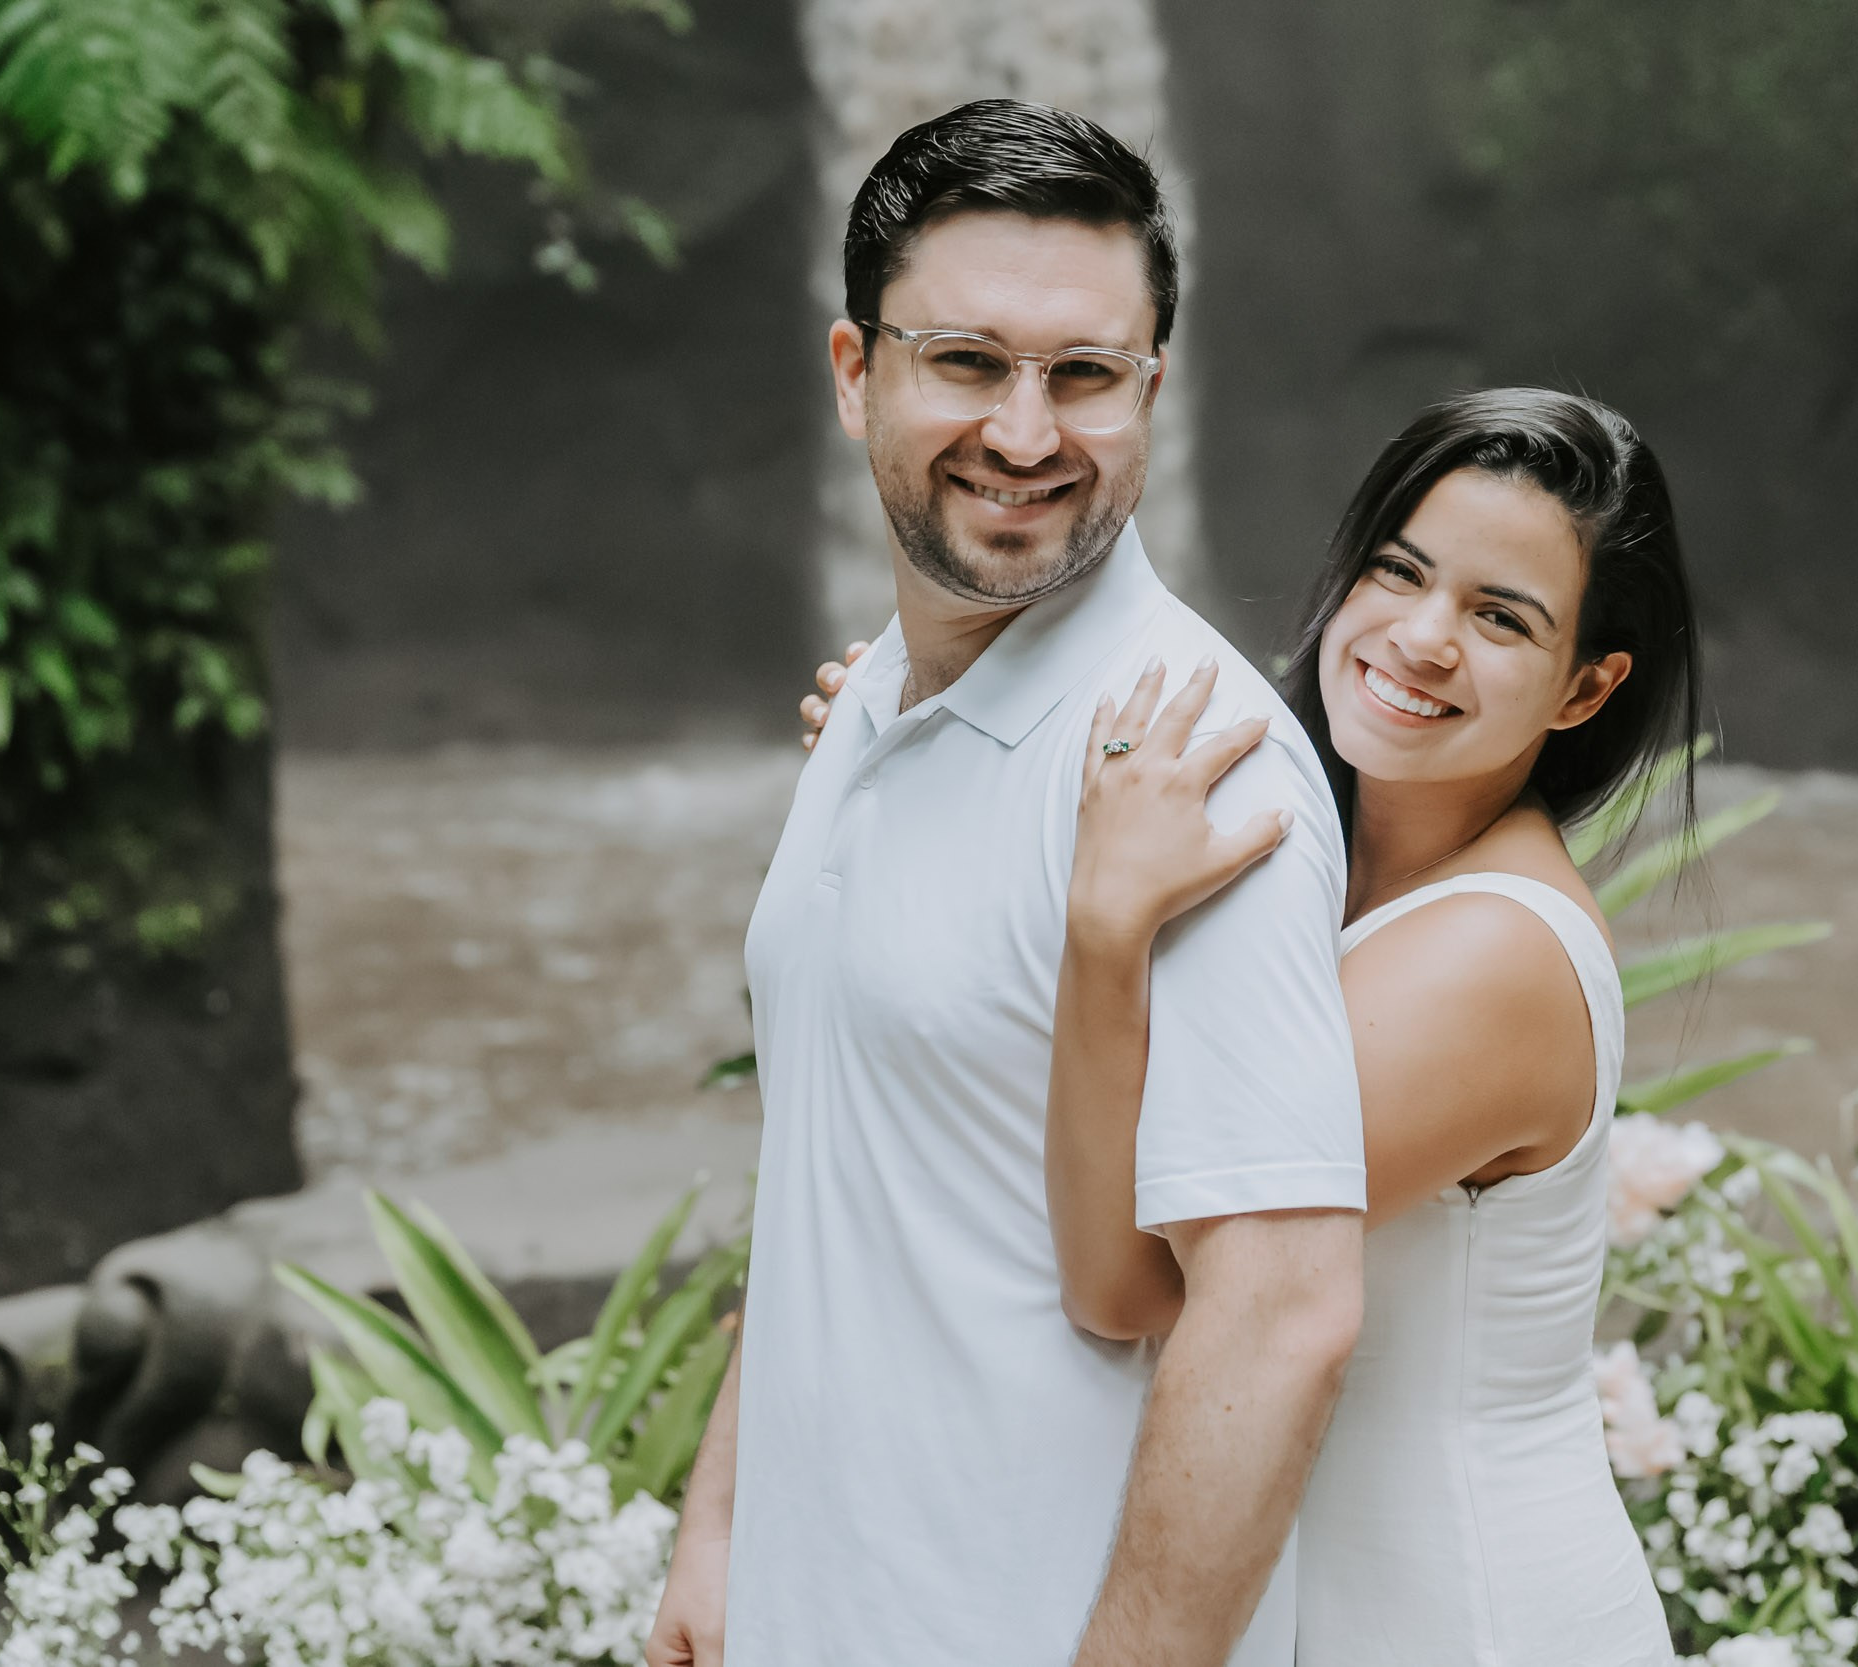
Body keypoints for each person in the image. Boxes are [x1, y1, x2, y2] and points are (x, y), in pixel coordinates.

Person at [806, 387, 1697, 1664]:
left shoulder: (1488, 954)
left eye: (1502, 617)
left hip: (1459, 1615)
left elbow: (1127, 1280)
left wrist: (1108, 935)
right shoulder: (1307, 855)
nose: (1423, 636)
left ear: (1583, 686)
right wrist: (919, 758)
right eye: (1401, 571)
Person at [648, 101, 1369, 1667]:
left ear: (1151, 393)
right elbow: (845, 1153)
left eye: (1085, 374)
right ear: (859, 375)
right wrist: (720, 1521)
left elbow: (1282, 1310)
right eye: (968, 362)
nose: (1028, 434)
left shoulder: (1195, 764)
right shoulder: (871, 712)